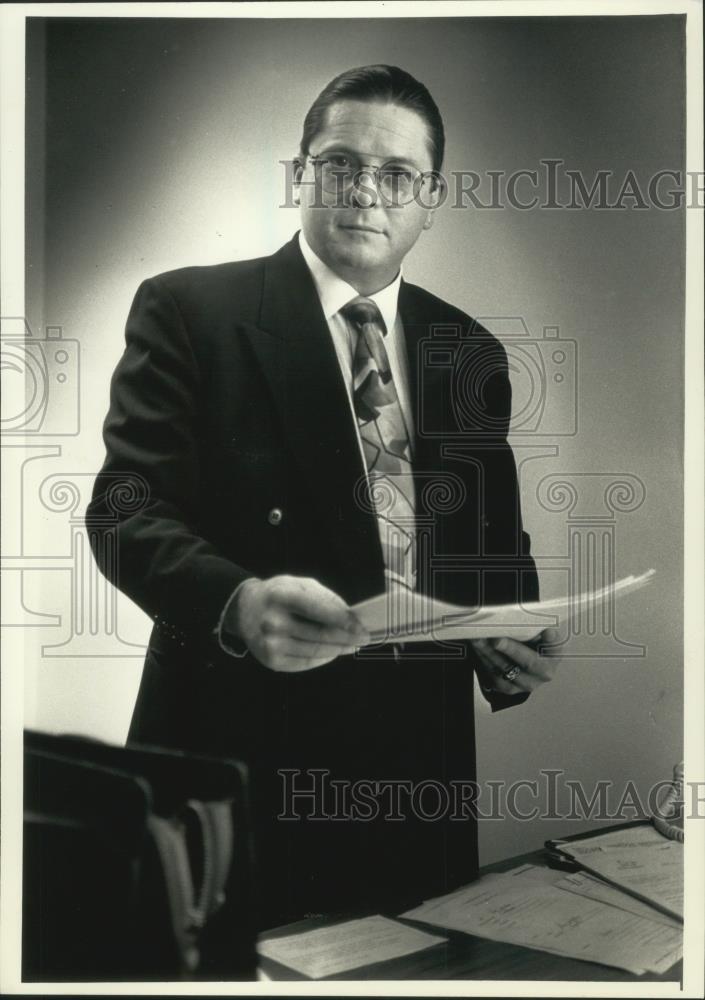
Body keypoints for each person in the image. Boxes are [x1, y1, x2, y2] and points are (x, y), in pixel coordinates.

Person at [86, 64, 559, 930]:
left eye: (396, 176)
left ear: (431, 198)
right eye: (339, 165)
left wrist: (512, 633)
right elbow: (124, 509)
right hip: (238, 757)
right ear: (299, 174)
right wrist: (235, 600)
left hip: (417, 779)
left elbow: (492, 549)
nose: (364, 195)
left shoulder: (469, 348)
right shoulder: (190, 309)